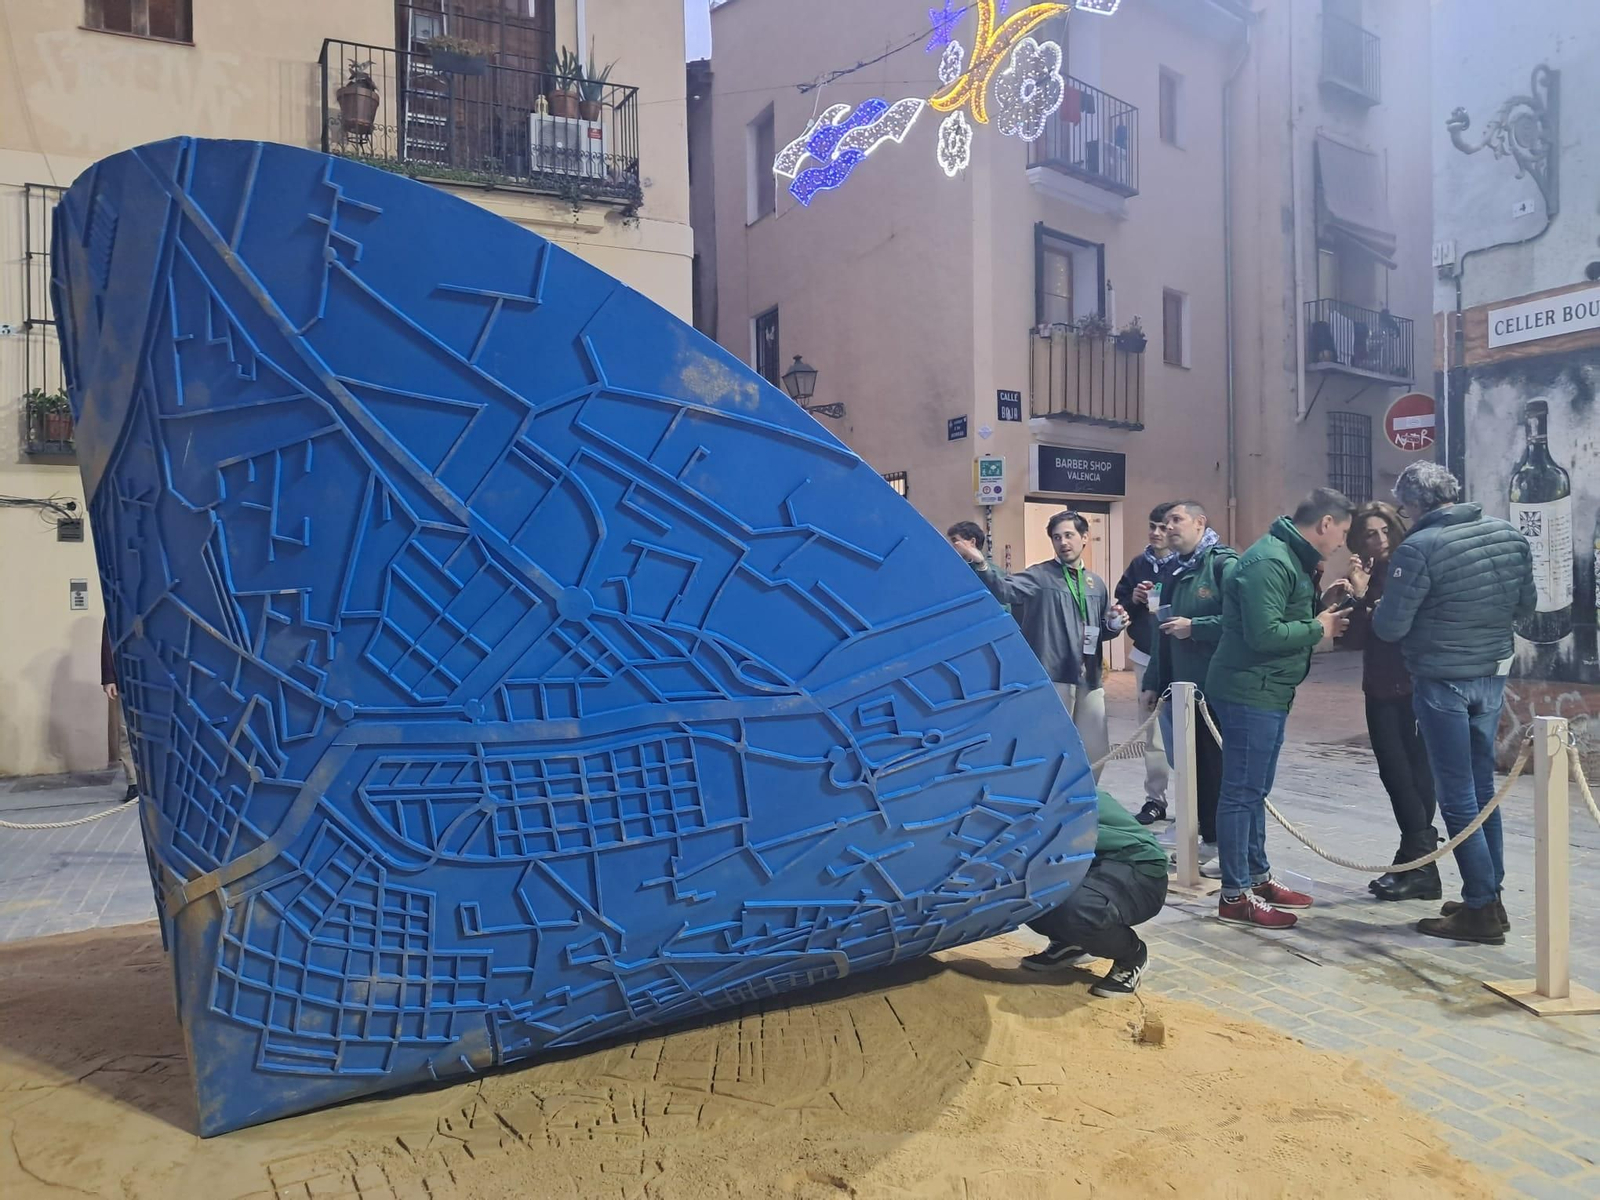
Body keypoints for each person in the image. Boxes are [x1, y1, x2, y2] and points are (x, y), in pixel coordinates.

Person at [1372, 462, 1535, 945]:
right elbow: (1525, 607)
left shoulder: (1419, 548)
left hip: (1443, 679)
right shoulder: (1508, 534)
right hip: (1492, 673)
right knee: (1483, 789)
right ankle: (1490, 894)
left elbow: (1389, 628)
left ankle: (1481, 909)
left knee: (1458, 794)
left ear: (1416, 504)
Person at [1204, 488, 1354, 928]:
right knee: (1240, 792)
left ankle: (1256, 875)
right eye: (1341, 532)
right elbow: (1264, 634)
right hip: (1249, 690)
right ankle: (1234, 895)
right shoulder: (1270, 560)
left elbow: (1278, 613)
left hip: (1269, 689)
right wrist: (1318, 626)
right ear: (1324, 524)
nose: (1341, 542)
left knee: (1255, 790)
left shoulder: (1289, 558)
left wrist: (1320, 606)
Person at [954, 510, 1129, 774]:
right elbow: (1004, 590)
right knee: (1051, 747)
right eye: (1057, 537)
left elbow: (1098, 629)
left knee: (1095, 749)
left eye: (1069, 535)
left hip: (1090, 678)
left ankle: (1088, 801)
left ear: (1084, 538)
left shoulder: (1096, 584)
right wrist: (981, 564)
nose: (1063, 542)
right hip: (1053, 676)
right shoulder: (1040, 575)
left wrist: (1114, 626)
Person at [1335, 501, 1439, 902]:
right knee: (1395, 774)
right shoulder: (1367, 574)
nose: (1379, 540)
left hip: (1414, 685)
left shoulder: (1410, 570)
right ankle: (1416, 860)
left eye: (1384, 531)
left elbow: (1398, 629)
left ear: (1397, 531)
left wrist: (1365, 599)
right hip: (1378, 686)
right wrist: (1352, 596)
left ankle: (1419, 864)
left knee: (1413, 774)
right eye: (1369, 534)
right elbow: (1354, 641)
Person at [1141, 500, 1237, 875]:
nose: (1169, 528)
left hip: (1215, 686)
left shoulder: (1223, 566)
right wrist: (1153, 682)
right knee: (1192, 768)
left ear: (1201, 522)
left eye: (1177, 520)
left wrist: (1196, 627)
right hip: (1183, 691)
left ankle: (1222, 843)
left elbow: (1239, 620)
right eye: (1165, 523)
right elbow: (1161, 634)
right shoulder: (1174, 572)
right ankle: (1204, 837)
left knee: (1217, 767)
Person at [1020, 787, 1169, 995]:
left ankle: (1132, 955)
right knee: (1020, 892)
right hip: (1082, 862)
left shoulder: (1051, 781)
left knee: (1079, 909)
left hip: (1136, 864)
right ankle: (1070, 943)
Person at [1115, 503, 1176, 823]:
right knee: (1151, 731)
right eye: (1152, 526)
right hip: (1146, 654)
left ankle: (1199, 801)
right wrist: (1133, 601)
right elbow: (1122, 603)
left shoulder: (1191, 564)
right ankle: (1156, 799)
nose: (1156, 533)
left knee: (1193, 731)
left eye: (1163, 527)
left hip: (1183, 658)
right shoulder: (1140, 564)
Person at [102, 620, 138, 803]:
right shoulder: (117, 601)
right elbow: (108, 640)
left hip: (154, 674)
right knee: (126, 729)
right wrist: (109, 677)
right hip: (126, 675)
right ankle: (134, 781)